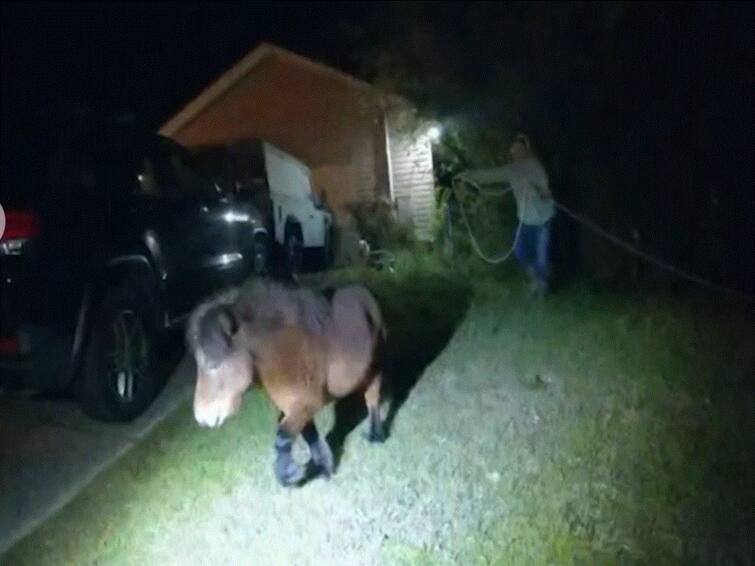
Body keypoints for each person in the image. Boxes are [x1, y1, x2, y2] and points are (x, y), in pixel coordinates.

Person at [458, 133, 556, 296]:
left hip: (542, 220)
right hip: (525, 220)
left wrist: (543, 192)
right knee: (520, 252)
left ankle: (542, 291)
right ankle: (534, 279)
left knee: (541, 258)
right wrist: (466, 176)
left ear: (525, 150)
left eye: (518, 150)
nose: (515, 153)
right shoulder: (511, 170)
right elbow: (489, 176)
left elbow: (545, 190)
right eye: (513, 151)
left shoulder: (535, 167)